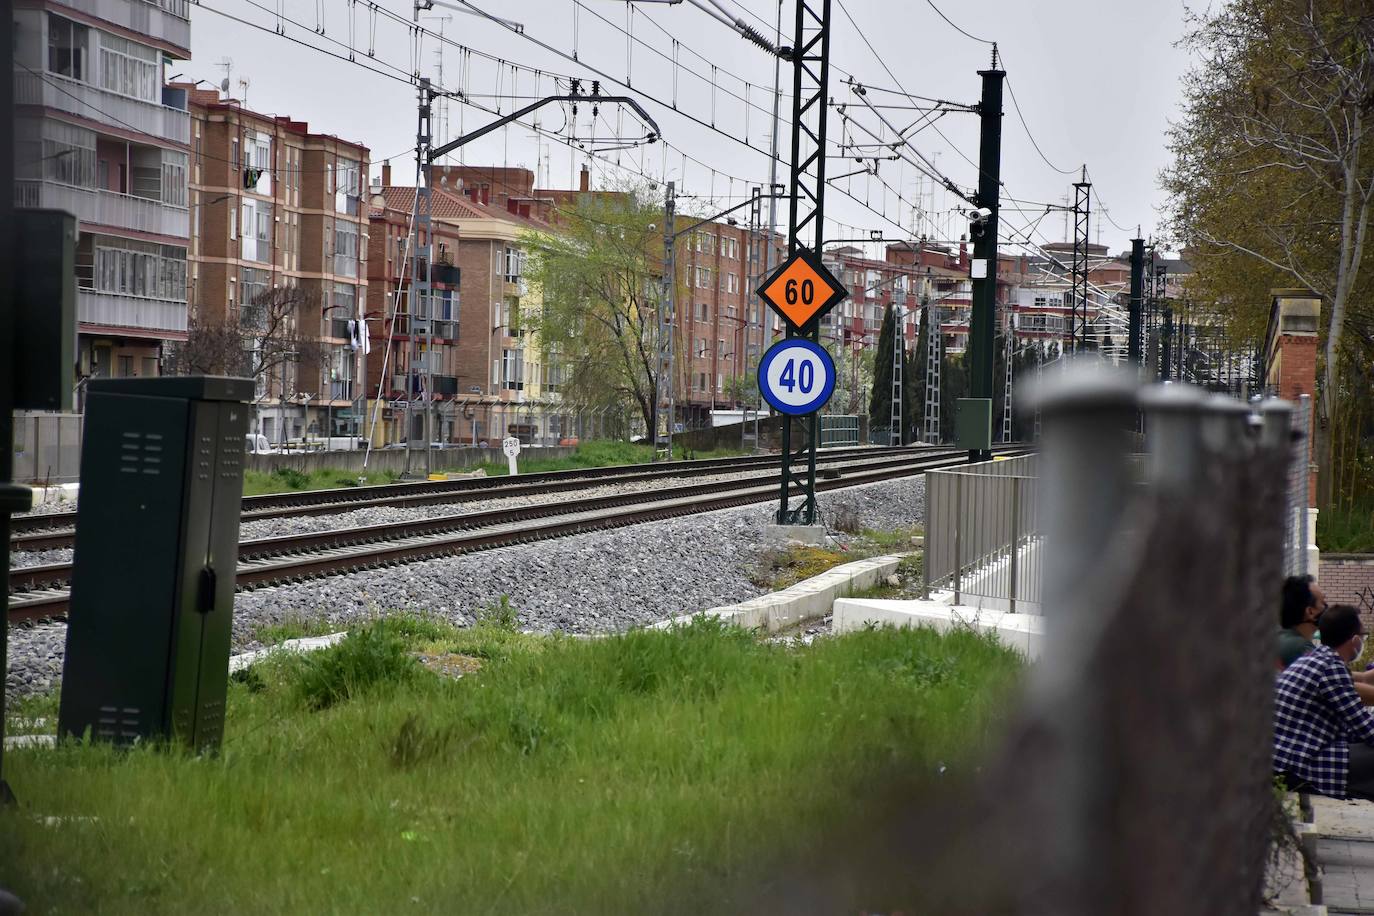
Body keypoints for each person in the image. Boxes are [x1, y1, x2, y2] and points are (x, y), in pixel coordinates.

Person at [1274, 605, 1374, 799]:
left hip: (1284, 758)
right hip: (1298, 765)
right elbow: (1367, 730)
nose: (1363, 639)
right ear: (1354, 640)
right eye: (1363, 634)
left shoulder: (1315, 659)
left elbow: (1350, 728)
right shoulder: (1330, 667)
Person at [1278, 575, 1327, 667]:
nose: (1326, 607)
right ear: (1310, 612)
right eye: (1323, 602)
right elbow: (1329, 678)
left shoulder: (1281, 638)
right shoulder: (1301, 648)